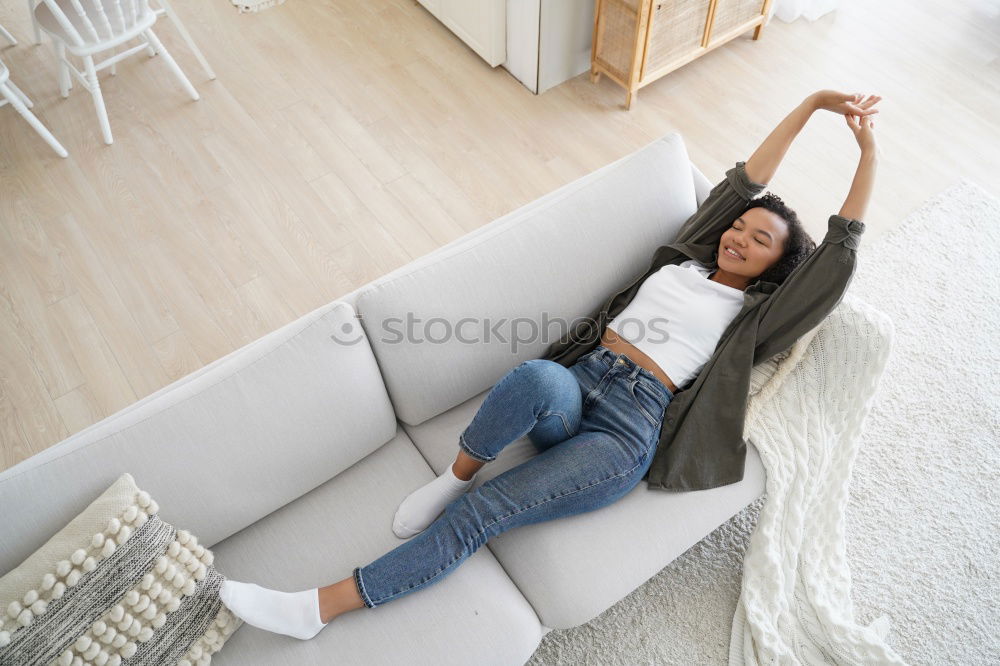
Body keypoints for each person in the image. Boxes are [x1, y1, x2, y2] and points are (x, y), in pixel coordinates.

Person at [218, 89, 881, 640]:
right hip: (583, 381)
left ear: (776, 266)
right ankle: (455, 473)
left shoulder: (754, 320)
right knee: (535, 377)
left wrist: (867, 149)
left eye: (760, 239)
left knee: (488, 514)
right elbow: (746, 181)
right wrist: (816, 103)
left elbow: (839, 254)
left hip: (625, 432)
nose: (740, 237)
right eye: (740, 227)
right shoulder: (686, 256)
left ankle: (320, 607)